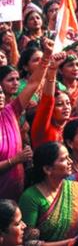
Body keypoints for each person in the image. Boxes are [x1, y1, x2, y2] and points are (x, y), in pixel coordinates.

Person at [0, 40, 49, 200]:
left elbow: (33, 83)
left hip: (16, 187)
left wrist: (47, 55)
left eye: (0, 92)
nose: (0, 96)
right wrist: (15, 160)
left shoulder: (10, 111)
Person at [18, 142, 78, 243]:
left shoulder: (75, 188)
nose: (70, 161)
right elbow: (29, 243)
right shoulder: (31, 197)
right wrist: (70, 243)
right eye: (63, 159)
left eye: (69, 157)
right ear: (47, 169)